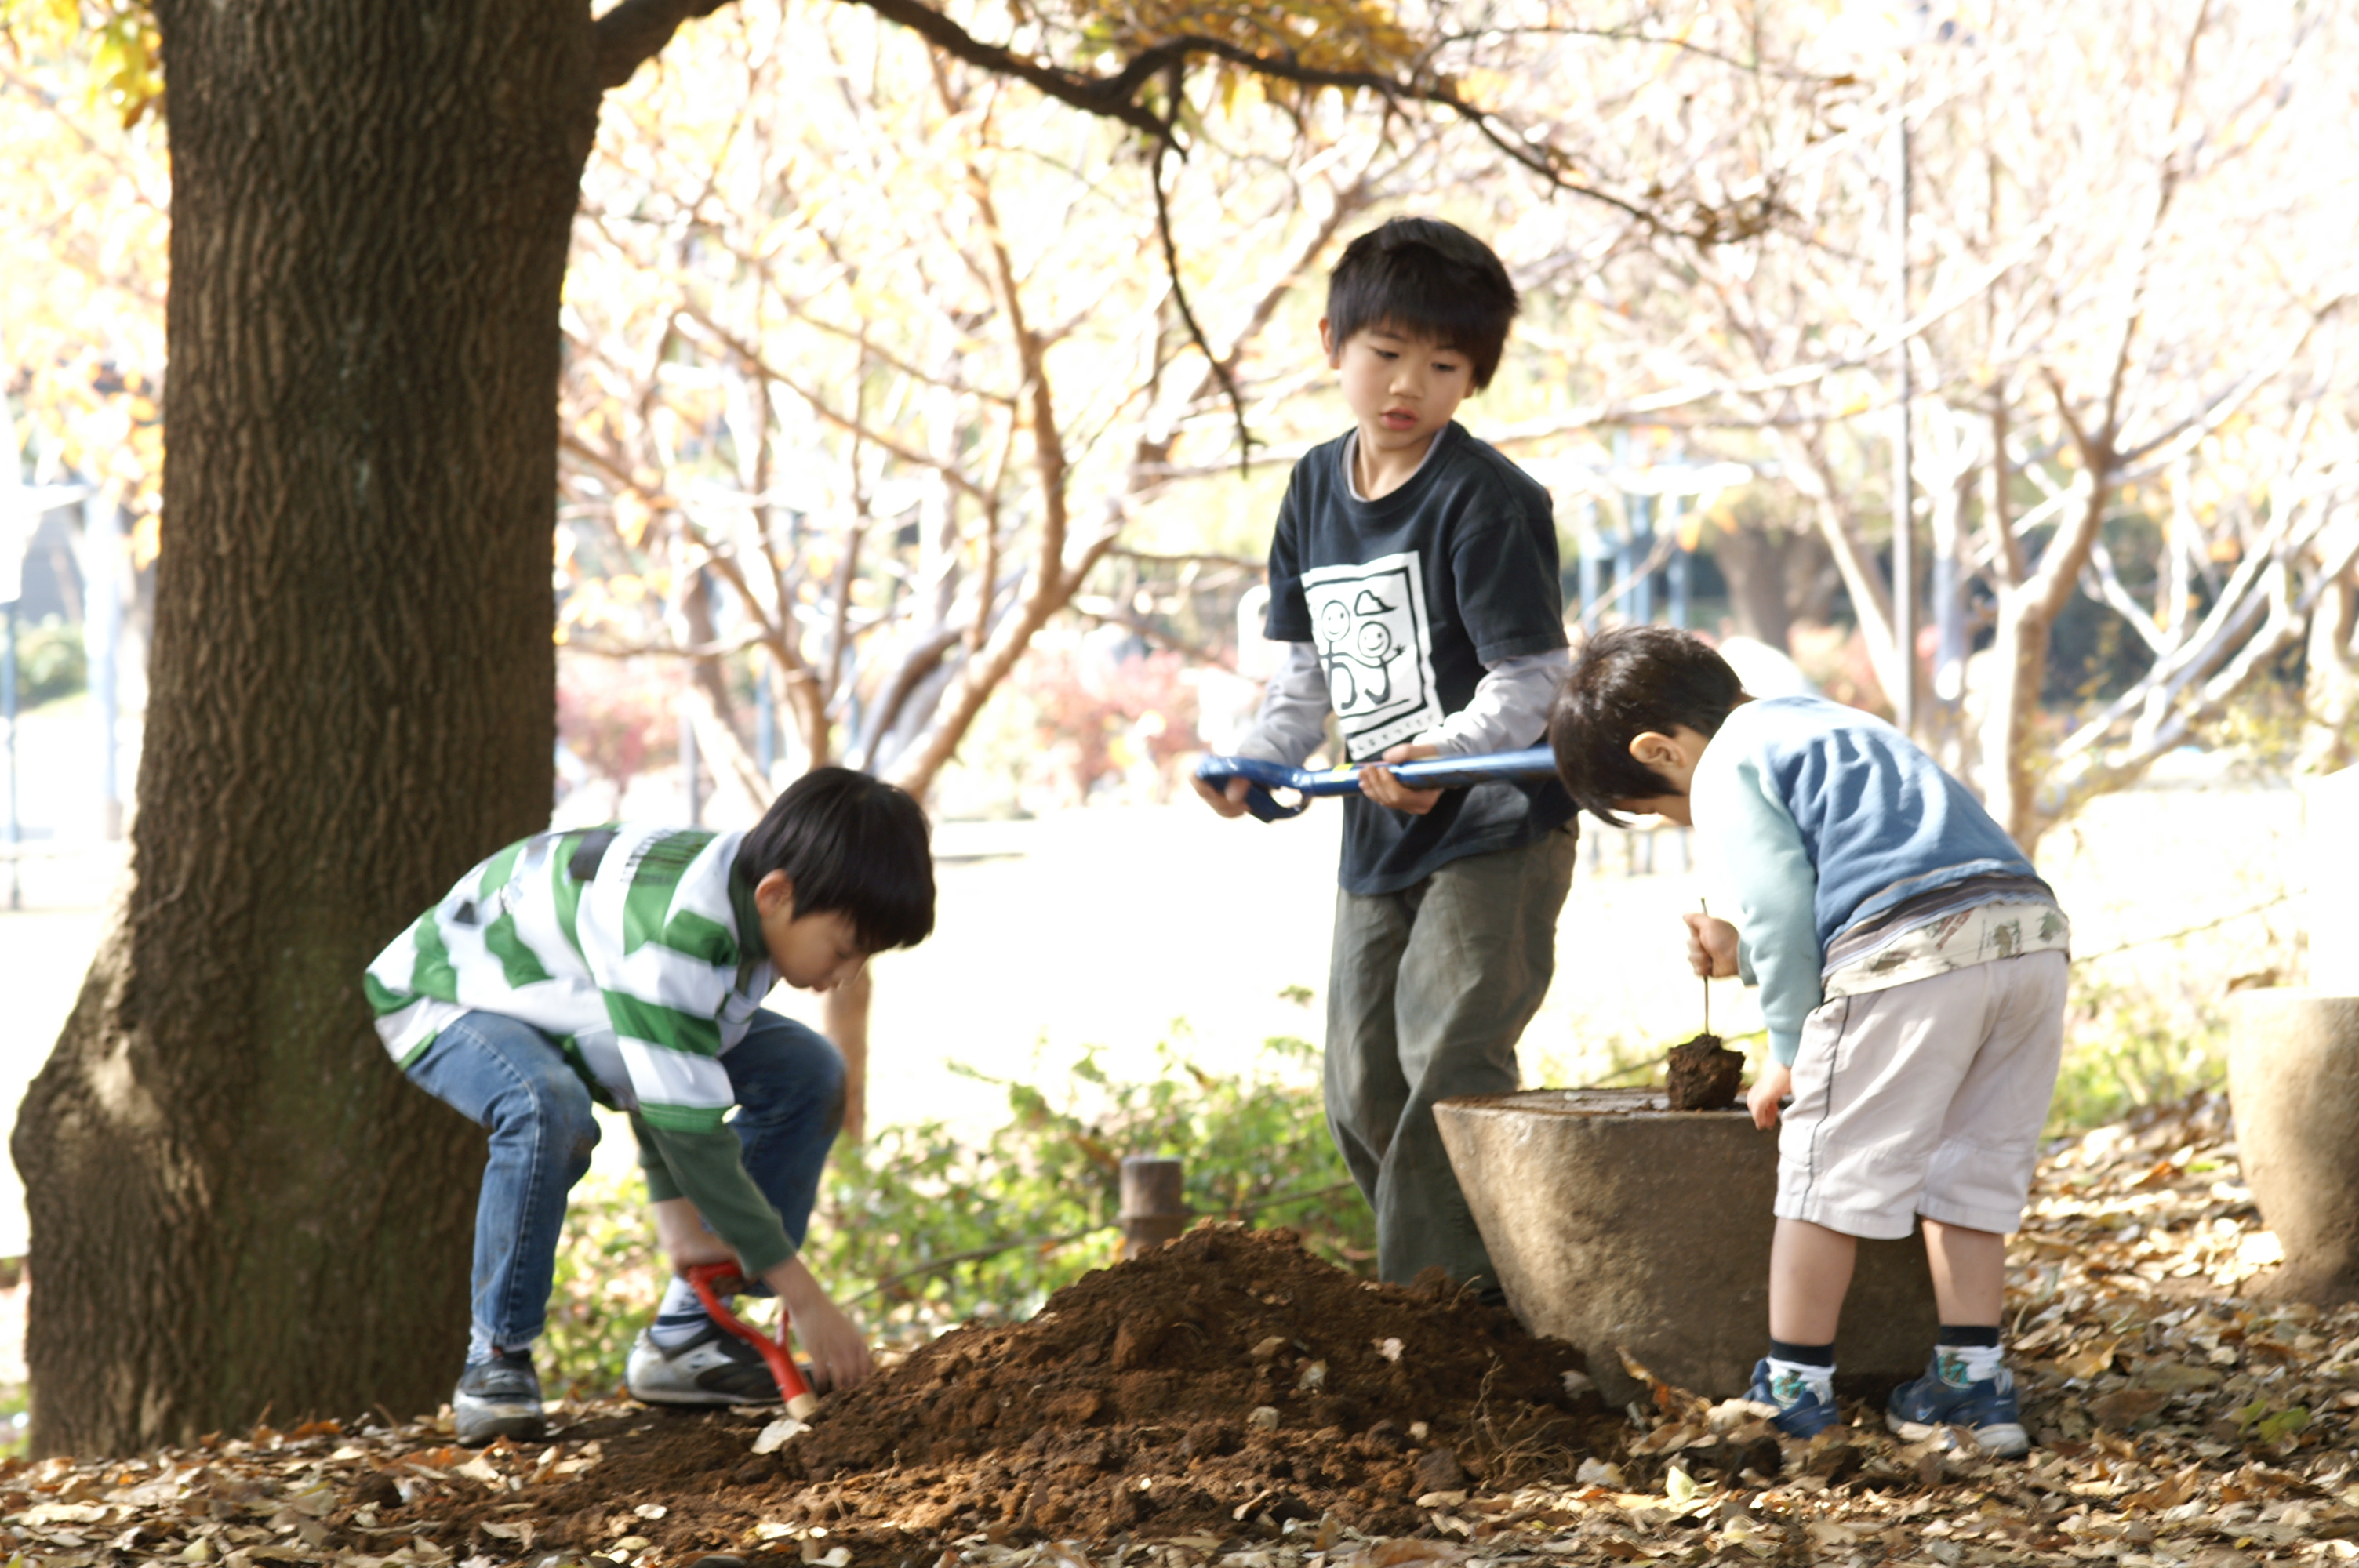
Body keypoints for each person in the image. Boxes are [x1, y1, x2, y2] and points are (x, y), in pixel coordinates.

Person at [1546, 625, 2068, 1457]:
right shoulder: (1824, 721)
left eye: (1656, 807)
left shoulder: (1721, 765)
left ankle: (1792, 1388)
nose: (1679, 820)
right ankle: (1971, 1386)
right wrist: (1739, 951)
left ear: (1660, 749)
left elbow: (1784, 909)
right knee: (1969, 1164)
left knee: (1823, 1171)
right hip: (2025, 937)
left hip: (1906, 953)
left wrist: (1790, 1048)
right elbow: (1865, 871)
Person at [1193, 216, 1579, 1290]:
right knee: (1360, 1083)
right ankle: (1463, 1290)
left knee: (1444, 1064)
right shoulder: (1314, 489)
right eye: (1387, 354)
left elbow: (1532, 681)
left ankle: (1450, 1316)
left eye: (1445, 364)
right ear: (1333, 345)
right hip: (1378, 821)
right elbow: (1303, 677)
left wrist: (1443, 754)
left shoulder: (1487, 500)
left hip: (1493, 824)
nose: (1410, 383)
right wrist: (1256, 758)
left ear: (1474, 378)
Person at [364, 767, 935, 1445]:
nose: (846, 976)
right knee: (547, 1107)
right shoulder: (679, 932)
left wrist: (682, 1225)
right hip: (450, 995)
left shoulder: (747, 904)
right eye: (844, 949)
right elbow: (683, 1120)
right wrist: (804, 1298)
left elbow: (654, 1063)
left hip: (570, 998)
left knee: (807, 1073)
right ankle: (495, 1360)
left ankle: (687, 1339)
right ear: (777, 894)